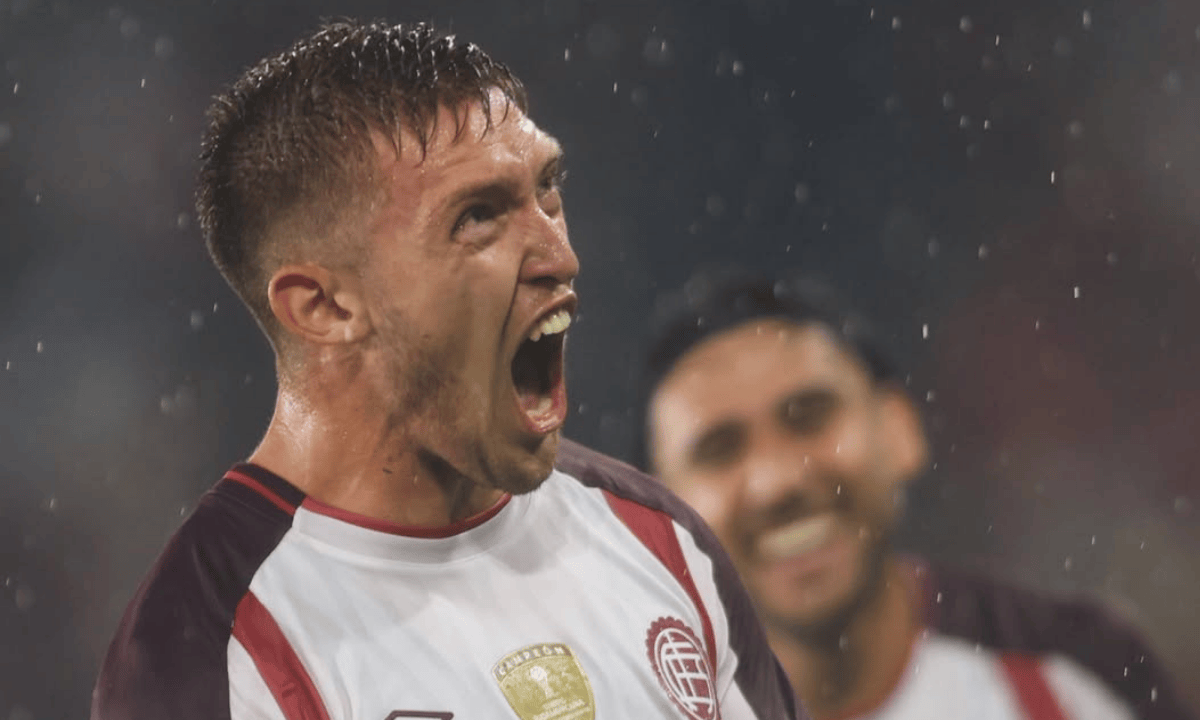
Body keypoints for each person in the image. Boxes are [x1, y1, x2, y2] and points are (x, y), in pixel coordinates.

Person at [91, 21, 798, 720]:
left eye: (547, 189)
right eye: (477, 217)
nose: (558, 256)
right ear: (323, 305)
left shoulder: (657, 539)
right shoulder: (216, 655)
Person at [639, 270, 1193, 720]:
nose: (777, 481)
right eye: (718, 451)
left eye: (809, 417)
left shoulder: (1081, 671)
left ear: (899, 431)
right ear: (660, 515)